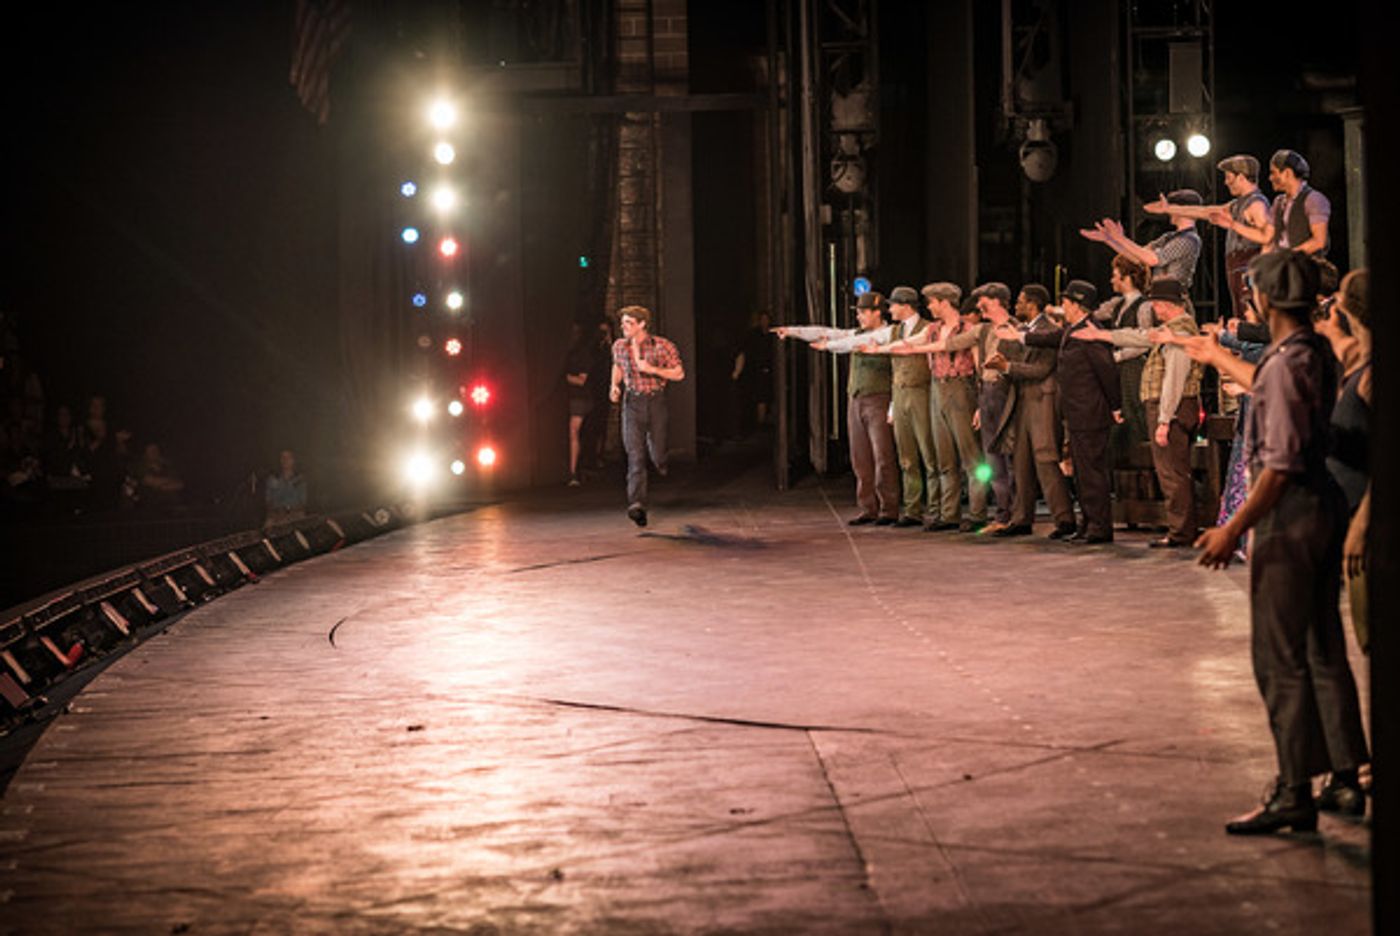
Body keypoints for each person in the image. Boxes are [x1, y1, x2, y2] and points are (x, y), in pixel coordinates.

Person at [1188, 250, 1368, 834]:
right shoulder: (1315, 351)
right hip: (1323, 508)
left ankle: (1294, 788)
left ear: (1264, 301)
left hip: (1290, 517)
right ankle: (1345, 773)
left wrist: (1232, 527)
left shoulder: (1287, 361)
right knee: (1322, 647)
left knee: (1280, 656)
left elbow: (1280, 464)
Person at [999, 280, 1122, 542]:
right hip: (1076, 412)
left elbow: (1108, 372)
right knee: (1081, 472)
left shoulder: (1091, 332)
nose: (1062, 305)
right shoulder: (1071, 330)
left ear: (1077, 305)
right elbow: (1047, 338)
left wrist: (1116, 405)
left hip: (1090, 411)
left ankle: (1100, 527)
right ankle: (1087, 524)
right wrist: (1017, 336)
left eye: (1066, 301)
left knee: (1092, 473)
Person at [868, 283, 989, 531]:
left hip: (961, 390)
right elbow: (909, 343)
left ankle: (977, 513)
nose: (930, 306)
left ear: (944, 302)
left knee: (970, 457)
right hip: (937, 390)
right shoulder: (933, 329)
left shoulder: (970, 329)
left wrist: (981, 404)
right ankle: (949, 514)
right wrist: (878, 349)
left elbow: (981, 369)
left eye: (933, 302)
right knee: (944, 456)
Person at [775, 292, 900, 525]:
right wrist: (792, 331)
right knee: (860, 456)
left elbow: (846, 344)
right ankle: (867, 507)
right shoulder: (858, 333)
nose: (860, 317)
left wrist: (829, 346)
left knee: (883, 455)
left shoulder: (889, 334)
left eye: (863, 312)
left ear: (877, 312)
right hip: (856, 399)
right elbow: (827, 331)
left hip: (879, 398)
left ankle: (889, 508)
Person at [984, 285, 1075, 539]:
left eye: (1021, 302)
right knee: (1021, 461)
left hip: (1042, 401)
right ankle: (1021, 517)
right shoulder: (1022, 331)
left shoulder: (1049, 331)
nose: (1016, 306)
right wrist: (1001, 364)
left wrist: (1007, 366)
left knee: (1045, 459)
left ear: (1032, 304)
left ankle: (1064, 518)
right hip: (1022, 400)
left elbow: (1041, 370)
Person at [853, 286, 939, 527]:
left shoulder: (928, 328)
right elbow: (893, 368)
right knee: (906, 457)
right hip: (900, 395)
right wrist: (892, 404)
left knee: (929, 455)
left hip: (921, 392)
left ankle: (935, 509)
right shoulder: (896, 331)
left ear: (906, 305)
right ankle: (912, 510)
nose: (889, 309)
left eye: (893, 305)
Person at [610, 304, 685, 528]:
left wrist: (652, 369)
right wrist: (614, 385)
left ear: (642, 324)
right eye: (622, 323)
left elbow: (679, 373)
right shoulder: (619, 346)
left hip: (655, 401)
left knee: (658, 452)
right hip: (632, 402)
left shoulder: (662, 346)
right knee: (635, 456)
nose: (623, 327)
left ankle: (660, 460)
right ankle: (637, 505)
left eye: (628, 323)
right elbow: (618, 366)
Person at [1081, 190, 1204, 291]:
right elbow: (1138, 257)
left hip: (1175, 300)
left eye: (1171, 208)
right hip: (1161, 296)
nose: (1168, 212)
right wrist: (1110, 240)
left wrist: (1120, 238)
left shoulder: (1189, 239)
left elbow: (1152, 259)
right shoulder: (1169, 236)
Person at [564, 323, 600, 486]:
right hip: (574, 398)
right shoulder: (569, 353)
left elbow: (581, 380)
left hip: (580, 398)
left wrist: (563, 378)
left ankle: (573, 472)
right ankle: (574, 471)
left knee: (574, 432)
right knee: (574, 433)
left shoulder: (583, 354)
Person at [264, 449, 307, 527]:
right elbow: (268, 502)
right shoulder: (272, 479)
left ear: (293, 460)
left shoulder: (300, 479)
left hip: (295, 515)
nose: (285, 460)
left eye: (288, 458)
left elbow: (303, 503)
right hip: (276, 516)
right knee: (267, 527)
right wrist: (276, 513)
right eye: (283, 457)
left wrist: (289, 512)